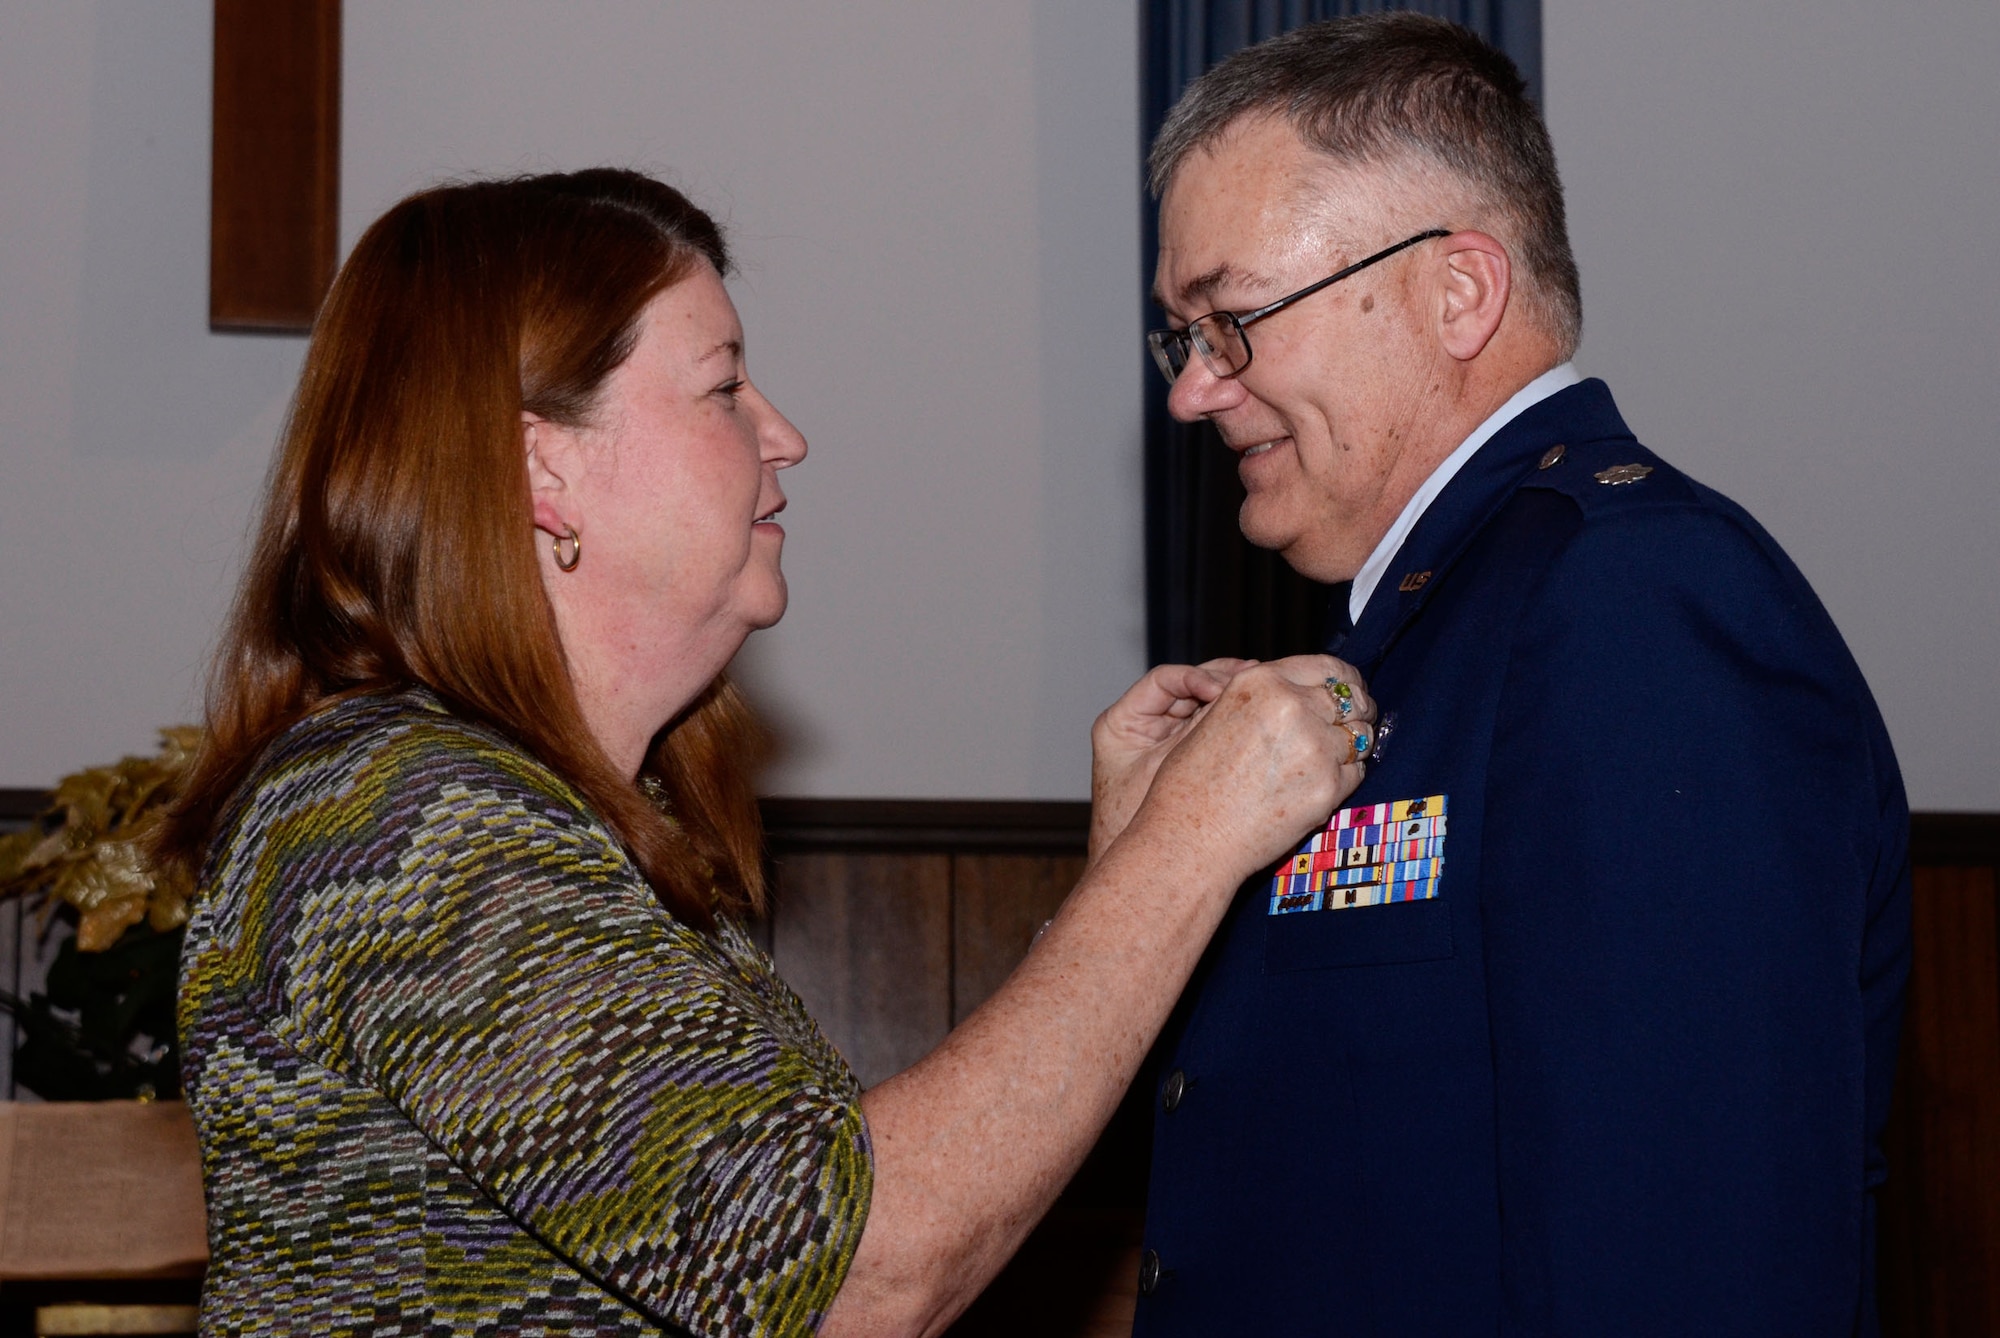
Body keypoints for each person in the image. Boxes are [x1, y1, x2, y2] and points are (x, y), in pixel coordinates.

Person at [156, 168, 1375, 1337]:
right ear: (545, 467)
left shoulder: (587, 821)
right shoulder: (390, 818)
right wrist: (1178, 858)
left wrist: (1123, 870)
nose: (782, 436)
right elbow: (845, 1277)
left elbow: (805, 1206)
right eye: (722, 387)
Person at [1131, 14, 1911, 1335]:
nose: (1195, 392)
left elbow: (1685, 1250)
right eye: (1184, 337)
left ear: (1458, 292)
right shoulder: (1430, 622)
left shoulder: (1631, 602)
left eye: (1235, 320)